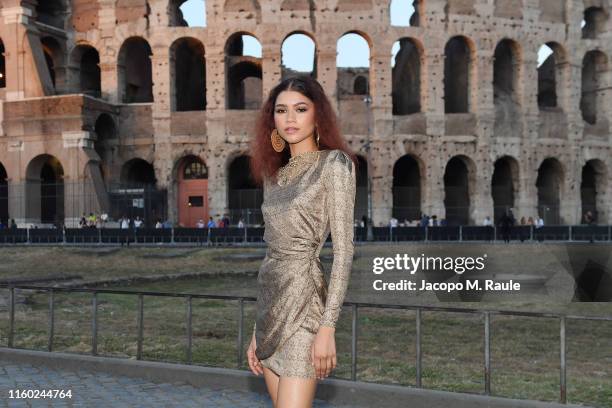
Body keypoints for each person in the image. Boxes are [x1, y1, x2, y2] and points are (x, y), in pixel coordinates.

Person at [246, 76, 357, 407]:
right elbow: (271, 254)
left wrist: (327, 328)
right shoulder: (274, 175)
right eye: (281, 110)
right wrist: (256, 329)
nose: (290, 119)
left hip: (307, 307)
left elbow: (345, 251)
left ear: (316, 114)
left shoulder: (334, 165)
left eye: (300, 109)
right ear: (272, 119)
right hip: (270, 310)